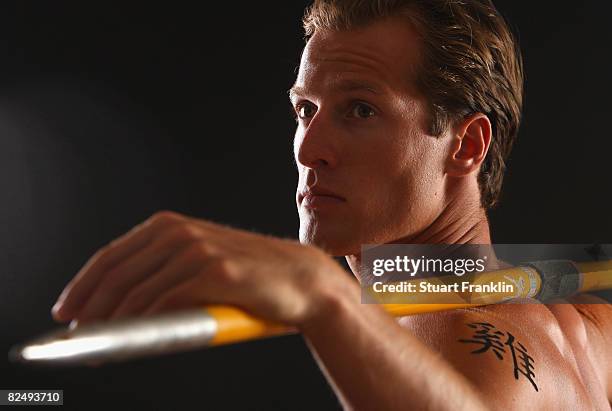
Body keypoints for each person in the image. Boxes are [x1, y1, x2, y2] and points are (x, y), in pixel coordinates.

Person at [50, 1, 611, 409]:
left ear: (465, 146)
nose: (310, 149)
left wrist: (324, 298)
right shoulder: (592, 325)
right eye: (305, 110)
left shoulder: (457, 339)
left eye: (361, 110)